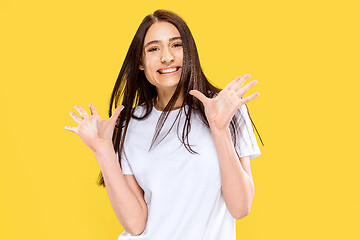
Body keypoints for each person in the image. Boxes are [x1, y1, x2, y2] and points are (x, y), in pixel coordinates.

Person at [64, 9, 262, 240]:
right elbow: (136, 225)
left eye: (176, 45)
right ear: (140, 61)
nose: (167, 57)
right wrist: (103, 149)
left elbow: (240, 207)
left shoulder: (227, 109)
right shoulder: (129, 125)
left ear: (190, 52)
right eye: (153, 49)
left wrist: (219, 129)